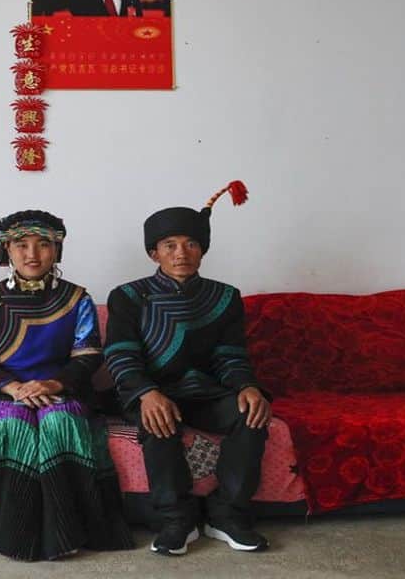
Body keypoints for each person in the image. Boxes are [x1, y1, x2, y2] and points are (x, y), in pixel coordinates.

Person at [0, 210, 133, 560]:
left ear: (56, 250)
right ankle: (13, 532)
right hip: (1, 393)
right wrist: (12, 388)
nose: (32, 254)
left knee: (60, 422)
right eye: (21, 245)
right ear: (6, 251)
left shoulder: (77, 299)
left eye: (43, 244)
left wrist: (53, 385)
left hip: (61, 390)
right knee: (15, 426)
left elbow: (88, 355)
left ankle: (66, 532)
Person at [104, 181, 272, 556]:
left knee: (252, 415)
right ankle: (174, 520)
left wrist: (246, 385)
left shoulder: (225, 296)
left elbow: (231, 355)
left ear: (202, 250)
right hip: (152, 391)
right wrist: (146, 394)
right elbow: (121, 355)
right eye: (170, 246)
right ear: (154, 253)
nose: (182, 253)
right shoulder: (128, 296)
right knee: (156, 422)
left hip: (207, 392)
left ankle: (226, 515)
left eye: (191, 244)